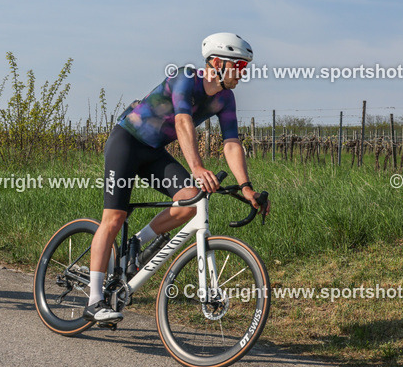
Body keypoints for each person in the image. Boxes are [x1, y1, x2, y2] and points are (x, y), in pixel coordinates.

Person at [85, 33, 270, 323]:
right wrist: (197, 168)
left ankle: (137, 244)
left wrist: (247, 188)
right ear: (217, 63)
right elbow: (183, 120)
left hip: (154, 152)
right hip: (127, 142)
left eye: (245, 67)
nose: (243, 73)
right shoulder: (186, 77)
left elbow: (231, 143)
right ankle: (94, 300)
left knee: (190, 202)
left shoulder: (225, 98)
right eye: (239, 66)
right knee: (114, 217)